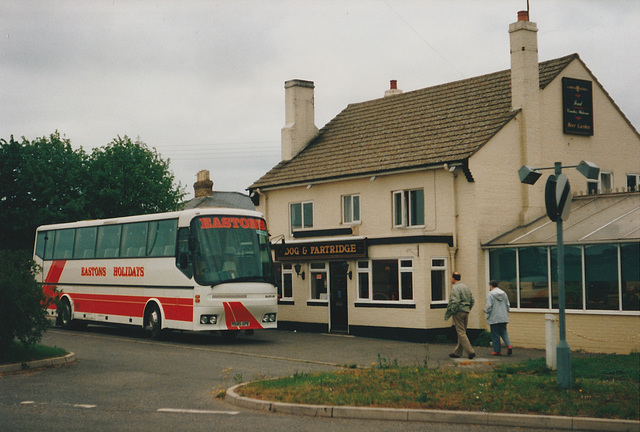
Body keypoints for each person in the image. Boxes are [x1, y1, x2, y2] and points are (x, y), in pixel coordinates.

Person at [445, 272, 476, 359]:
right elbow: (472, 300)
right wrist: (468, 309)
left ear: (453, 278)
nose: (450, 279)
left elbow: (455, 301)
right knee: (462, 332)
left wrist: (453, 311)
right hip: (466, 311)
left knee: (461, 332)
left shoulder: (455, 288)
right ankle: (457, 353)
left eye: (451, 277)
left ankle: (470, 351)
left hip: (458, 311)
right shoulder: (466, 287)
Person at [484, 280, 513, 356]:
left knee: (495, 334)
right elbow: (508, 305)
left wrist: (486, 312)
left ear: (491, 286)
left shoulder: (490, 295)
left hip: (494, 318)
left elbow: (489, 306)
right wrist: (506, 314)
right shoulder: (504, 294)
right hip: (503, 317)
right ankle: (509, 345)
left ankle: (497, 351)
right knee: (504, 332)